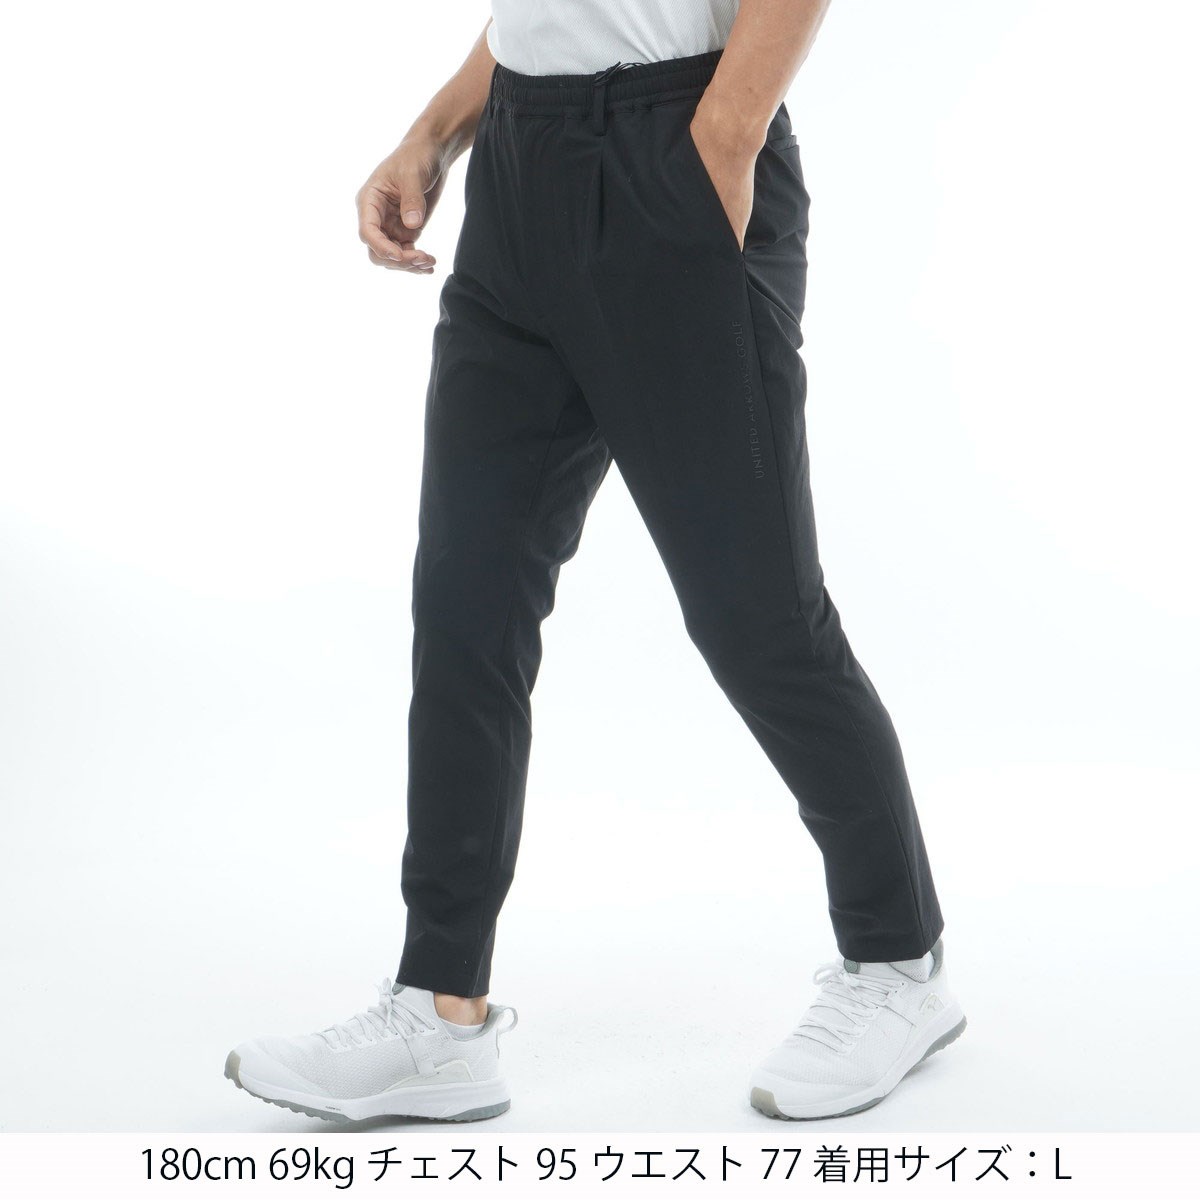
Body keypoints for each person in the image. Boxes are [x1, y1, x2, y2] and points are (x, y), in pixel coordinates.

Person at [225, 0, 966, 1125]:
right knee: (465, 606)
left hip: (680, 145)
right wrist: (434, 133)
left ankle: (897, 961)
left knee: (759, 617)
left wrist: (724, 138)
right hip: (518, 167)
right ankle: (439, 1012)